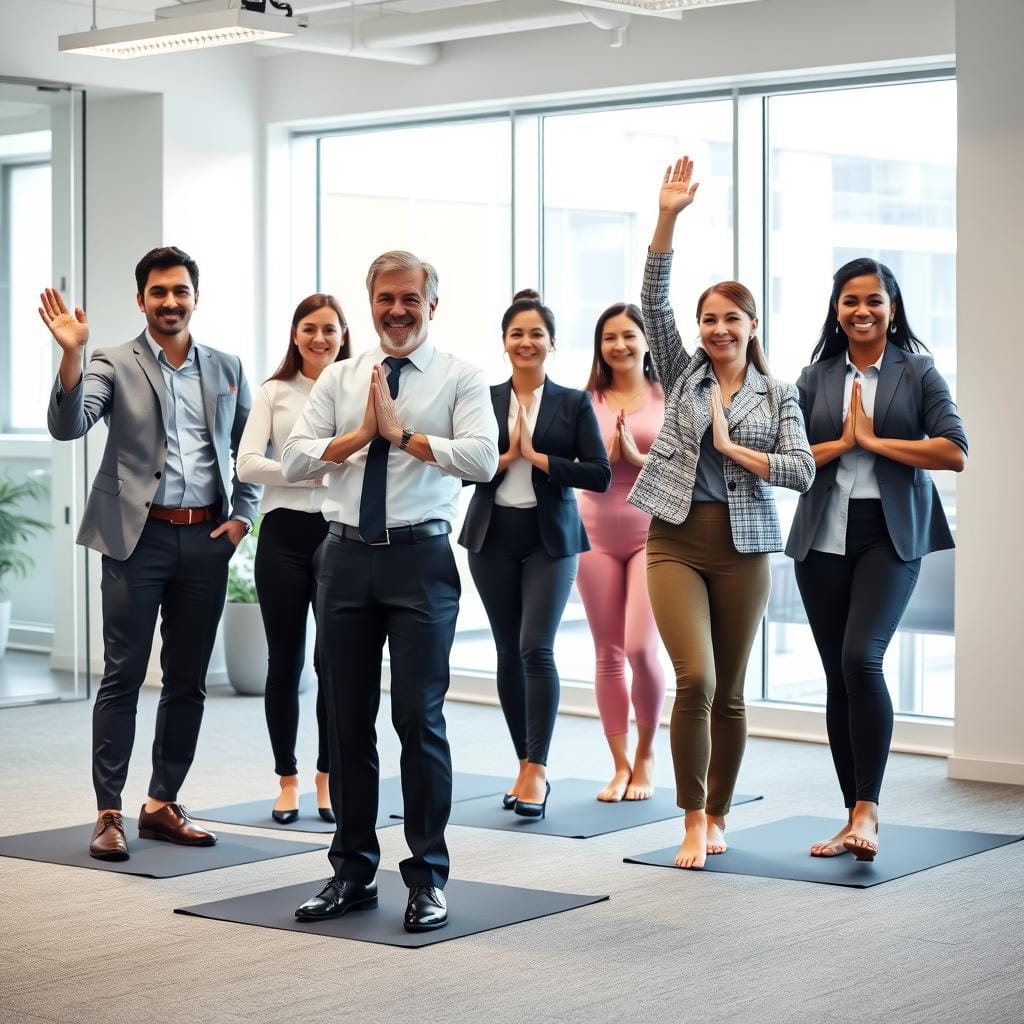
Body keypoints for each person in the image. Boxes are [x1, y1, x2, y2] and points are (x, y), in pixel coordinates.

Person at [281, 250, 498, 933]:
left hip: (419, 560)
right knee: (345, 722)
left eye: (410, 299)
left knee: (416, 718)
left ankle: (428, 876)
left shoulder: (462, 376)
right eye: (385, 299)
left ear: (432, 304)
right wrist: (359, 437)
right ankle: (350, 870)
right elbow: (292, 459)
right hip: (343, 560)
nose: (397, 311)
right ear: (370, 302)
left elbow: (484, 458)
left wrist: (403, 437)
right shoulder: (342, 376)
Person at [42, 246, 260, 861]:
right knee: (124, 674)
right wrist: (71, 355)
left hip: (206, 540)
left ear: (195, 297)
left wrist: (244, 516)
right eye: (158, 292)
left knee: (187, 679)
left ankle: (162, 803)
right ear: (141, 300)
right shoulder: (111, 360)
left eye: (180, 291)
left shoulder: (226, 367)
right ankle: (108, 811)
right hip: (137, 539)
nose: (170, 302)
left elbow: (250, 447)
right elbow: (69, 424)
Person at [629, 157, 815, 869]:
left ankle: (718, 813)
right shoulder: (681, 373)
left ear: (751, 324)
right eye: (708, 319)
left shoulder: (778, 393)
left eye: (729, 319)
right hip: (674, 538)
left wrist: (738, 450)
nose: (715, 329)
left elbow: (801, 469)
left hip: (745, 547)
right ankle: (687, 817)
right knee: (696, 680)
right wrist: (669, 215)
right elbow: (653, 300)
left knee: (731, 693)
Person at [786, 258, 967, 862]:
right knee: (838, 674)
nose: (861, 311)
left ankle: (870, 809)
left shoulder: (917, 371)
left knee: (862, 658)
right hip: (821, 538)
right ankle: (851, 816)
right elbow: (787, 459)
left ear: (892, 308)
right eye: (849, 301)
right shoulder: (813, 378)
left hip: (889, 536)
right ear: (836, 310)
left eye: (873, 301)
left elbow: (953, 451)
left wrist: (873, 443)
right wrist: (841, 443)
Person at [459, 290, 611, 818]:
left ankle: (539, 769)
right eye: (516, 333)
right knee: (507, 649)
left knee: (534, 647)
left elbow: (599, 473)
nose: (526, 342)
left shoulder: (573, 402)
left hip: (552, 540)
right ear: (504, 342)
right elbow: (463, 469)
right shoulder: (482, 397)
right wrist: (506, 457)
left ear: (551, 342)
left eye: (536, 334)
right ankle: (524, 764)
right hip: (492, 535)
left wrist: (539, 457)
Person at [237, 294, 350, 825]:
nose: (320, 338)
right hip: (282, 533)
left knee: (333, 663)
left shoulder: (356, 388)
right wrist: (303, 471)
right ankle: (287, 780)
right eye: (310, 328)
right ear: (295, 334)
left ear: (343, 334)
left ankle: (327, 779)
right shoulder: (275, 392)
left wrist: (323, 473)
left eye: (329, 329)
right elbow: (247, 464)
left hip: (337, 532)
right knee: (285, 661)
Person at [576, 303, 666, 802]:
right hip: (593, 533)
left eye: (629, 335)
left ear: (645, 340)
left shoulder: (665, 396)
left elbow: (685, 465)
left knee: (639, 647)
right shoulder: (583, 400)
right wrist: (599, 463)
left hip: (652, 532)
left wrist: (635, 459)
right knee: (607, 652)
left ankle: (647, 754)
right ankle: (618, 763)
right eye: (609, 337)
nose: (620, 345)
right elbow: (566, 466)